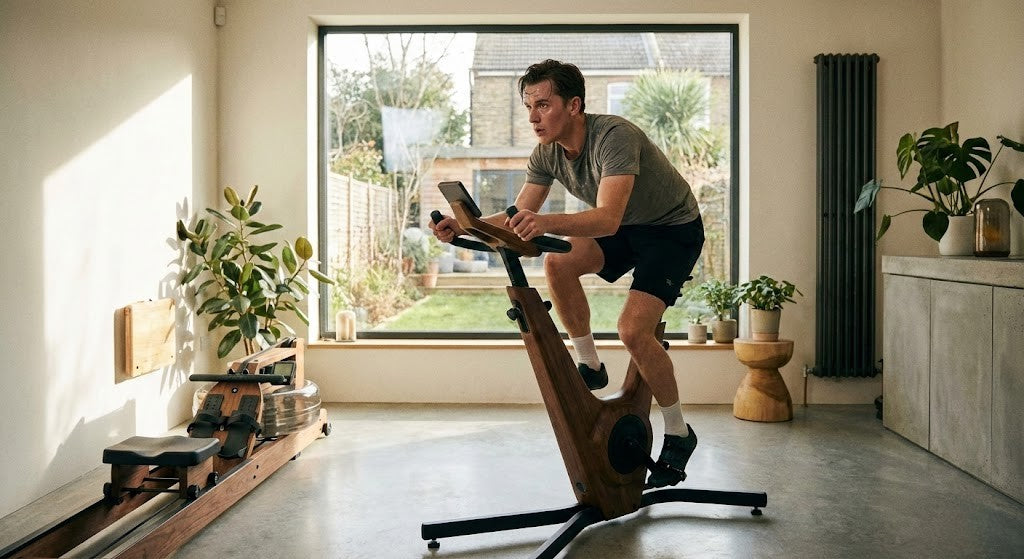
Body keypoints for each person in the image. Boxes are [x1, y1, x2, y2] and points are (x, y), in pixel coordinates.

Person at [431, 59, 705, 488]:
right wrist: (464, 227)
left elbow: (607, 219)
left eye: (543, 105)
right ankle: (591, 364)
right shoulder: (546, 154)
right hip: (627, 227)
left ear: (574, 105)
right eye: (528, 107)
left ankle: (678, 430)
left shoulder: (614, 137)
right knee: (557, 262)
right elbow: (518, 216)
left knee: (634, 331)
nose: (533, 117)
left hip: (671, 231)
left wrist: (544, 223)